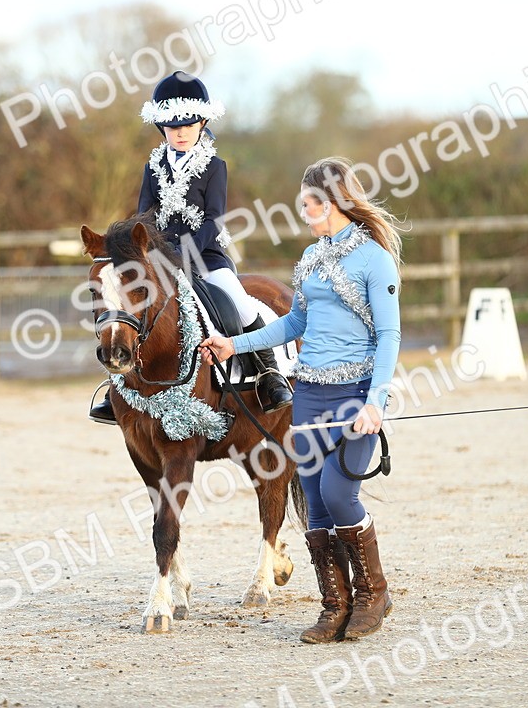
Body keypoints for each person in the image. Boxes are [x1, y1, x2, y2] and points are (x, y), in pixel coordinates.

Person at [198, 156, 403, 644]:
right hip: (309, 393)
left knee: (339, 494)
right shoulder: (310, 258)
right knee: (315, 502)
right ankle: (335, 606)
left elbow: (390, 334)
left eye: (310, 203)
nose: (304, 212)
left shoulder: (374, 259)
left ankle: (373, 594)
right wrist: (234, 345)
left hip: (355, 394)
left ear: (332, 203)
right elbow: (294, 324)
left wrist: (375, 401)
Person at [88, 71, 294, 423]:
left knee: (240, 304)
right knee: (126, 306)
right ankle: (116, 386)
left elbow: (214, 219)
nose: (180, 132)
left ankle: (269, 373)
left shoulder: (214, 167)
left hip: (205, 254)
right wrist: (148, 254)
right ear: (162, 128)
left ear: (202, 124)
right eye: (172, 127)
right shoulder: (152, 168)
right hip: (158, 258)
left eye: (187, 125)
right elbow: (144, 217)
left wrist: (186, 255)